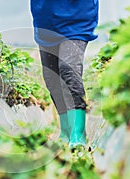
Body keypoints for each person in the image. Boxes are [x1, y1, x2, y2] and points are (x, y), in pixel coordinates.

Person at [30, 0, 99, 148]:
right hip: (46, 21)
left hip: (77, 18)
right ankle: (66, 130)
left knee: (68, 68)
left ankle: (78, 131)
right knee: (51, 77)